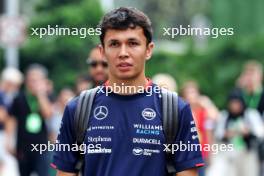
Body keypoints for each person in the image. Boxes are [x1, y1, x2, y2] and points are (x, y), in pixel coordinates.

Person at [52, 7, 204, 176]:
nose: (123, 53)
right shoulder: (78, 109)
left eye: (133, 43)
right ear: (102, 52)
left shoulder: (175, 109)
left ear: (148, 50)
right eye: (114, 44)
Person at [7, 64, 53, 176]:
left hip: (41, 146)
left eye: (36, 80)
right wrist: (9, 141)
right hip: (23, 146)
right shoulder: (19, 98)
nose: (33, 83)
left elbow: (48, 114)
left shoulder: (47, 97)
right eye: (31, 80)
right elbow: (11, 120)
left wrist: (40, 94)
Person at [214, 90, 264, 176]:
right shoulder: (225, 116)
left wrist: (248, 132)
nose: (234, 106)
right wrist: (228, 133)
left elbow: (260, 132)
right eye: (232, 103)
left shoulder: (250, 114)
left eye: (237, 103)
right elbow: (218, 133)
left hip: (248, 152)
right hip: (230, 154)